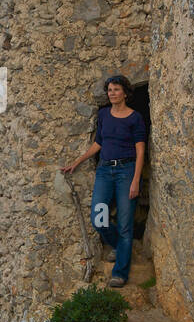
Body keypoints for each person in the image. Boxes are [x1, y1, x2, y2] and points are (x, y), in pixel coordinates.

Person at [61, 74, 147, 286]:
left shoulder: (135, 118)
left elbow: (141, 150)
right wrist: (77, 161)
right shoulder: (104, 115)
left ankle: (120, 273)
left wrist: (136, 180)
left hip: (126, 171)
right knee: (98, 218)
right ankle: (119, 245)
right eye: (109, 90)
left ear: (125, 93)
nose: (112, 93)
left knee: (125, 225)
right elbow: (99, 143)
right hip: (104, 171)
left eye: (116, 90)